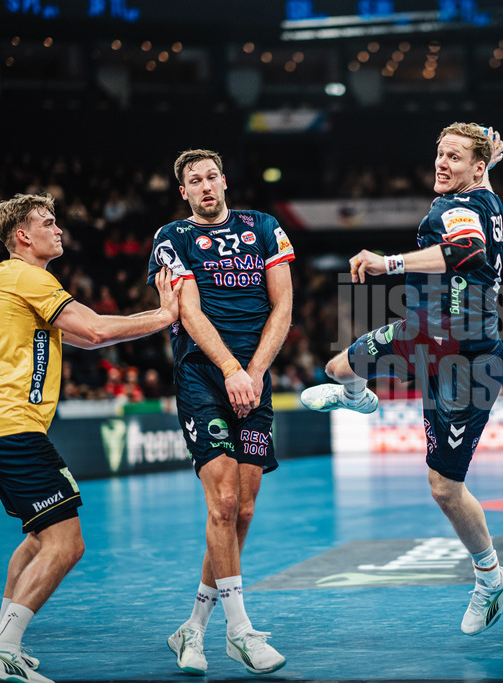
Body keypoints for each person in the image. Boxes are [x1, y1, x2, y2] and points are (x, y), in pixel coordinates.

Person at [300, 123, 503, 636]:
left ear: (476, 168)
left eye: (454, 157)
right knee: (337, 368)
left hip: (466, 363)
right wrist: (489, 156)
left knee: (444, 488)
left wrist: (388, 263)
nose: (442, 162)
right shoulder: (486, 197)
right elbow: (481, 182)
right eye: (439, 153)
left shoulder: (458, 209)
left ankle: (492, 578)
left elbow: (466, 251)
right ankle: (358, 398)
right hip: (421, 333)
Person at [0, 193, 180, 683]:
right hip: (10, 427)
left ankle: (5, 642)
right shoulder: (28, 277)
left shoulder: (10, 280)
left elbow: (88, 337)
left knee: (38, 538)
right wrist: (166, 315)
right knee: (67, 544)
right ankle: (1, 648)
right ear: (22, 236)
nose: (58, 229)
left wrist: (153, 319)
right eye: (47, 222)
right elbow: (97, 330)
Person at [147, 149, 293, 676]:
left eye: (212, 176)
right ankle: (239, 631)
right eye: (195, 180)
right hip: (203, 378)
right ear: (183, 191)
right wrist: (231, 370)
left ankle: (194, 626)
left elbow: (283, 306)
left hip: (254, 378)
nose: (205, 185)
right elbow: (186, 310)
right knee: (223, 501)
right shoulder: (172, 237)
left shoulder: (264, 227)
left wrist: (253, 373)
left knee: (242, 511)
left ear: (225, 181)